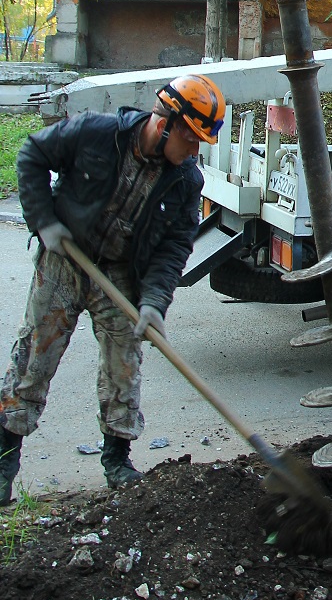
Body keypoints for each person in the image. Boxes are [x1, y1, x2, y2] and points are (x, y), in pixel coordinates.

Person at [0, 73, 225, 503]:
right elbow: (32, 153)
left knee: (124, 365)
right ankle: (4, 458)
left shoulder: (185, 182)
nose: (195, 151)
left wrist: (155, 302)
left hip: (120, 274)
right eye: (192, 139)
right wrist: (44, 221)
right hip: (65, 259)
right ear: (165, 124)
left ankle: (117, 460)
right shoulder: (96, 134)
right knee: (33, 360)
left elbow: (175, 246)